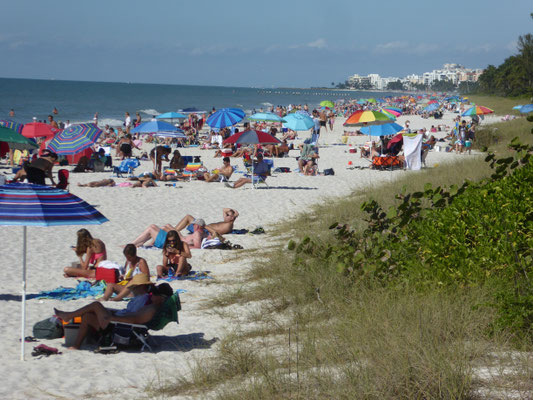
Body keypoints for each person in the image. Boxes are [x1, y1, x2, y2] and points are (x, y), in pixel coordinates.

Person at [54, 275, 172, 350]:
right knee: (88, 316)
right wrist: (114, 313)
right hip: (120, 321)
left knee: (96, 305)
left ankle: (68, 316)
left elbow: (134, 319)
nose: (133, 289)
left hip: (120, 326)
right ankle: (76, 345)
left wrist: (112, 317)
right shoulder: (146, 302)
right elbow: (132, 315)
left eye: (134, 286)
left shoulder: (148, 306)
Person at [173, 208, 239, 237]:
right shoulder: (227, 221)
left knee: (188, 217)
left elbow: (216, 232)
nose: (225, 216)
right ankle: (174, 231)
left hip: (204, 230)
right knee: (188, 219)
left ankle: (173, 231)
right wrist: (234, 211)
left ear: (232, 218)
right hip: (204, 227)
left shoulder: (228, 225)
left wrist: (204, 226)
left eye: (227, 215)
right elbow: (224, 209)